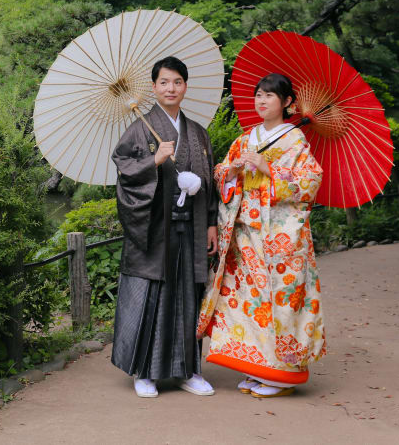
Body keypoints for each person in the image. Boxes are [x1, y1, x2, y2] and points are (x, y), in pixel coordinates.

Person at [197, 73, 326, 397]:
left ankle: (282, 376)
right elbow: (220, 176)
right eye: (258, 95)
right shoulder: (244, 139)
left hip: (280, 238)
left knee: (280, 301)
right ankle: (258, 367)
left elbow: (310, 183)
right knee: (248, 302)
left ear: (287, 103)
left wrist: (270, 170)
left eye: (270, 96)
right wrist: (234, 169)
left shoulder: (296, 141)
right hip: (244, 234)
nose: (262, 100)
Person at [110, 56, 218, 398]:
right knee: (152, 298)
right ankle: (145, 373)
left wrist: (211, 220)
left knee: (188, 296)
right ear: (153, 87)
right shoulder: (140, 128)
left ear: (185, 86)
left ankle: (188, 371)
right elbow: (124, 169)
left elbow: (211, 184)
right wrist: (152, 161)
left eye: (177, 82)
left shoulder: (198, 134)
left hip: (191, 228)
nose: (170, 88)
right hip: (155, 230)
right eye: (163, 82)